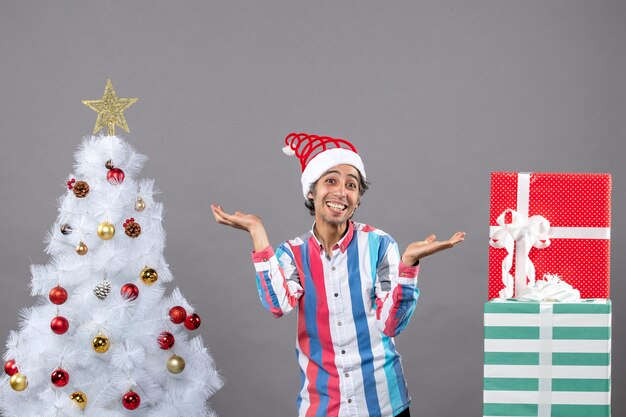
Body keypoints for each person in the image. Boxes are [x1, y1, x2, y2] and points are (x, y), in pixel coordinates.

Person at [211, 133, 464, 417]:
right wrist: (257, 232)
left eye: (351, 185)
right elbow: (277, 304)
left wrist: (409, 265)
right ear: (311, 191)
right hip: (323, 407)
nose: (341, 192)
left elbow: (391, 325)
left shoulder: (380, 245)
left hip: (384, 405)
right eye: (330, 180)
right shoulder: (292, 253)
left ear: (357, 199)